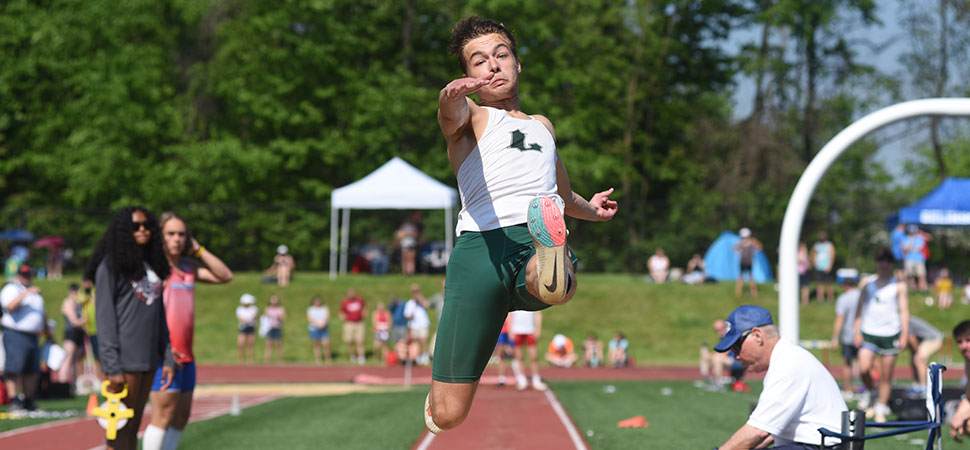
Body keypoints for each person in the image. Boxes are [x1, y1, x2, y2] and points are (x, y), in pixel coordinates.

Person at [425, 16, 618, 434]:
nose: (493, 65)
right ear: (467, 76)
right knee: (447, 415)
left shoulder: (542, 125)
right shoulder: (470, 116)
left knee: (551, 279)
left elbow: (562, 196)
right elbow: (449, 113)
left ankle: (551, 258)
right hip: (479, 250)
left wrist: (593, 210)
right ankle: (552, 263)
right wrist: (449, 95)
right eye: (480, 61)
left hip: (532, 233)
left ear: (517, 63)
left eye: (501, 55)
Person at [143, 211, 233, 450]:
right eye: (171, 234)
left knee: (181, 417)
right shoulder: (154, 269)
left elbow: (225, 275)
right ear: (160, 237)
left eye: (182, 234)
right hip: (164, 354)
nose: (177, 239)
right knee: (162, 415)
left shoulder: (188, 267)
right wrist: (163, 347)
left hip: (187, 354)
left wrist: (199, 249)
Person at [88, 206, 175, 450]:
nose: (143, 230)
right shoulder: (110, 266)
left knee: (133, 427)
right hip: (124, 362)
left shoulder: (152, 266)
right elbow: (104, 320)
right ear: (124, 231)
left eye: (147, 225)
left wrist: (167, 356)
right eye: (136, 226)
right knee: (118, 430)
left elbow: (160, 317)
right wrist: (112, 366)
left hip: (148, 359)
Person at [713, 305, 846, 449]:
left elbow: (758, 432)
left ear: (758, 336)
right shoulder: (788, 357)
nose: (736, 356)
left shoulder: (787, 364)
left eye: (737, 347)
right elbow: (768, 432)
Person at [853, 247, 909, 423]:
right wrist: (856, 331)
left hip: (890, 333)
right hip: (869, 332)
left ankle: (881, 407)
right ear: (876, 263)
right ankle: (872, 392)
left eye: (887, 261)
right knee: (863, 368)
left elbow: (904, 310)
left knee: (886, 375)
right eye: (880, 261)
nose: (883, 264)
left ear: (891, 264)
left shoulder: (898, 285)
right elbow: (859, 308)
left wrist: (904, 335)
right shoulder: (867, 283)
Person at [1, 264, 49, 411]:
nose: (26, 277)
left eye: (28, 274)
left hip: (33, 336)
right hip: (16, 333)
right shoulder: (11, 289)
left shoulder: (36, 294)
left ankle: (29, 399)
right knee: (14, 368)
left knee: (32, 370)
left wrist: (48, 333)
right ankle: (14, 399)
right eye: (24, 274)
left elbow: (42, 314)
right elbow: (10, 306)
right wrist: (26, 293)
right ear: (18, 275)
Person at [830, 275, 860, 397]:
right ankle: (864, 386)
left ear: (845, 286)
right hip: (862, 334)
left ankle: (848, 389)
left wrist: (835, 337)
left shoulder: (843, 298)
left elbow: (840, 319)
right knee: (862, 361)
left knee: (847, 362)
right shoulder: (861, 295)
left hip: (848, 334)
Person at [508, 310, 546, 391]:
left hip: (530, 330)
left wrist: (538, 328)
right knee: (519, 357)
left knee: (534, 356)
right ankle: (522, 380)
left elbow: (538, 313)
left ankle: (536, 379)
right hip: (517, 330)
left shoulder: (531, 299)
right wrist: (510, 330)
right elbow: (510, 314)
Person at [906, 315, 943, 397]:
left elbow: (911, 338)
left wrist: (916, 351)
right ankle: (917, 385)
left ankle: (924, 387)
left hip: (933, 339)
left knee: (918, 359)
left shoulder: (905, 321)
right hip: (923, 340)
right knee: (914, 360)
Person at [58, 283, 86, 387]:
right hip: (71, 334)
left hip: (79, 333)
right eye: (74, 291)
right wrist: (85, 319)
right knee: (68, 359)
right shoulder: (67, 303)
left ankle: (72, 385)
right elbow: (74, 321)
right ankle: (62, 383)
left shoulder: (80, 304)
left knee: (75, 361)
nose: (75, 293)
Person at [948, 320, 970, 441]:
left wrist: (963, 417)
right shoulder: (968, 363)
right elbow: (968, 398)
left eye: (968, 340)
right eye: (959, 342)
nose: (964, 346)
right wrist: (957, 417)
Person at [700, 320, 734, 390]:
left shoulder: (729, 336)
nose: (718, 332)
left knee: (716, 359)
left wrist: (711, 356)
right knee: (709, 357)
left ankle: (719, 384)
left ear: (724, 328)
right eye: (717, 330)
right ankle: (710, 379)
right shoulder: (722, 337)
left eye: (720, 329)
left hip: (735, 360)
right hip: (727, 359)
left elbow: (725, 352)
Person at [404, 284, 432, 365]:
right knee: (415, 342)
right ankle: (418, 356)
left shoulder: (422, 301)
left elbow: (427, 305)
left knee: (423, 340)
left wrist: (420, 299)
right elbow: (407, 315)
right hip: (414, 325)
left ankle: (425, 356)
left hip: (423, 324)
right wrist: (410, 315)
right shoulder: (410, 303)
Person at [339, 289, 367, 364]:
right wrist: (343, 318)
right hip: (349, 323)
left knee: (360, 341)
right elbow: (341, 311)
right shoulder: (345, 302)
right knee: (350, 341)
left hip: (359, 323)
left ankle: (361, 356)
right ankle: (353, 356)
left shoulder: (359, 300)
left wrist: (364, 315)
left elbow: (364, 308)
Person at [733, 228, 762, 298]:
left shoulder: (751, 242)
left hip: (748, 262)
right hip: (743, 262)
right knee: (742, 277)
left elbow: (760, 247)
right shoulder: (741, 243)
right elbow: (735, 249)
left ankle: (753, 291)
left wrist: (754, 242)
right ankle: (738, 292)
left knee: (750, 277)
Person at [811, 231, 836, 303]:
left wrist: (830, 266)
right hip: (819, 267)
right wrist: (814, 263)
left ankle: (830, 298)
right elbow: (812, 254)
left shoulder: (829, 245)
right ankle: (820, 299)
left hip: (827, 267)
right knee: (819, 284)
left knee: (829, 284)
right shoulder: (816, 245)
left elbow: (832, 255)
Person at [901, 225, 928, 292]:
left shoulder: (919, 239)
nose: (912, 233)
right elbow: (904, 249)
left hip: (919, 259)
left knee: (921, 275)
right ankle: (913, 289)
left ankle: (923, 289)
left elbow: (920, 248)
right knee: (910, 275)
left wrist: (909, 248)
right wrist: (911, 244)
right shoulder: (905, 239)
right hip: (909, 259)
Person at [306, 296, 332, 365]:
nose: (317, 302)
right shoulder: (310, 309)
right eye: (316, 301)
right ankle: (318, 359)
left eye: (319, 301)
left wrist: (323, 324)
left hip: (324, 328)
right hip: (314, 328)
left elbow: (327, 317)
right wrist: (317, 324)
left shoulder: (324, 308)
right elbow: (310, 319)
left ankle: (328, 359)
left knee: (325, 344)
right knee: (316, 344)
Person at [262, 295, 286, 363]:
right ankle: (267, 360)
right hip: (270, 328)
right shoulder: (267, 309)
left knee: (278, 344)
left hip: (277, 328)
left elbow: (283, 318)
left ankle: (280, 360)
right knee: (268, 344)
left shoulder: (280, 309)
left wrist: (279, 318)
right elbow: (264, 318)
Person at [236, 294, 259, 362]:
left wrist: (249, 320)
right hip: (243, 328)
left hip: (251, 327)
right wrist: (247, 320)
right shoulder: (240, 309)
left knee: (250, 344)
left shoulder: (254, 308)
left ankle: (250, 360)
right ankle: (240, 359)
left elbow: (255, 316)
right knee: (240, 344)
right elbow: (240, 318)